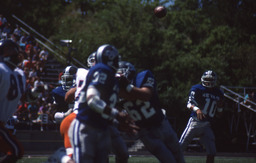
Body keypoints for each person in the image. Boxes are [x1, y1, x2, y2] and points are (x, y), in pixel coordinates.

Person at [68, 44, 137, 163]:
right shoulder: (102, 70)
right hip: (87, 126)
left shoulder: (109, 75)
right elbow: (92, 100)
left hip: (101, 126)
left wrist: (117, 121)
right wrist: (117, 114)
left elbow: (102, 108)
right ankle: (61, 158)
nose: (118, 62)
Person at [117, 61, 185, 163]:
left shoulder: (143, 76)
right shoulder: (116, 90)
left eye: (120, 73)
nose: (118, 76)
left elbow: (145, 95)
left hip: (161, 124)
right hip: (145, 132)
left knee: (179, 158)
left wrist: (127, 86)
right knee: (168, 160)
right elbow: (117, 112)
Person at [179, 70, 224, 163]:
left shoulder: (218, 92)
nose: (208, 81)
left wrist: (220, 108)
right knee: (180, 146)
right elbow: (189, 104)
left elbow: (220, 115)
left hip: (207, 124)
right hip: (195, 122)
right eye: (207, 79)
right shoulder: (197, 88)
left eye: (210, 79)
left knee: (212, 151)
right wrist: (197, 109)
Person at [0, 40, 26, 162]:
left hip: (2, 122)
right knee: (16, 150)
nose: (16, 53)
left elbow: (26, 98)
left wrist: (36, 91)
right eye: (11, 50)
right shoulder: (1, 69)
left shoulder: (19, 74)